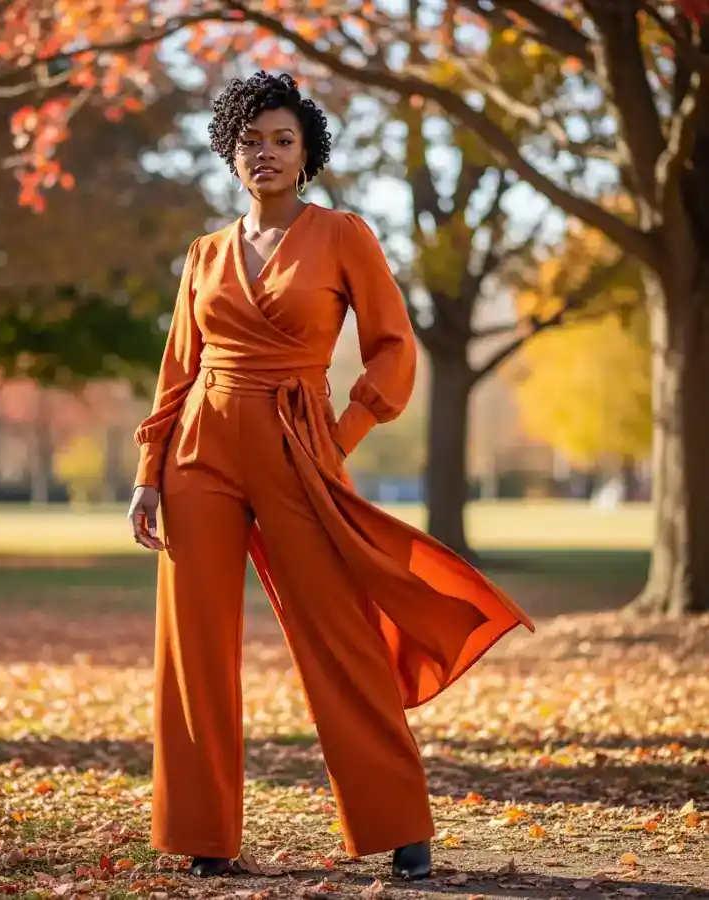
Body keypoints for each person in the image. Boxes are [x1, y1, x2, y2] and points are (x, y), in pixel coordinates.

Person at [127, 71, 533, 881]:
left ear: (307, 153)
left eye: (282, 140)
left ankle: (397, 821)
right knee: (193, 646)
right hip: (199, 452)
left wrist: (341, 433)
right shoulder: (204, 255)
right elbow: (178, 369)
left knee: (337, 636)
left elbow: (393, 346)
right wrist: (149, 471)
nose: (266, 154)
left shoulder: (344, 235)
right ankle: (203, 833)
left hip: (297, 450)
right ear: (230, 153)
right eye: (251, 142)